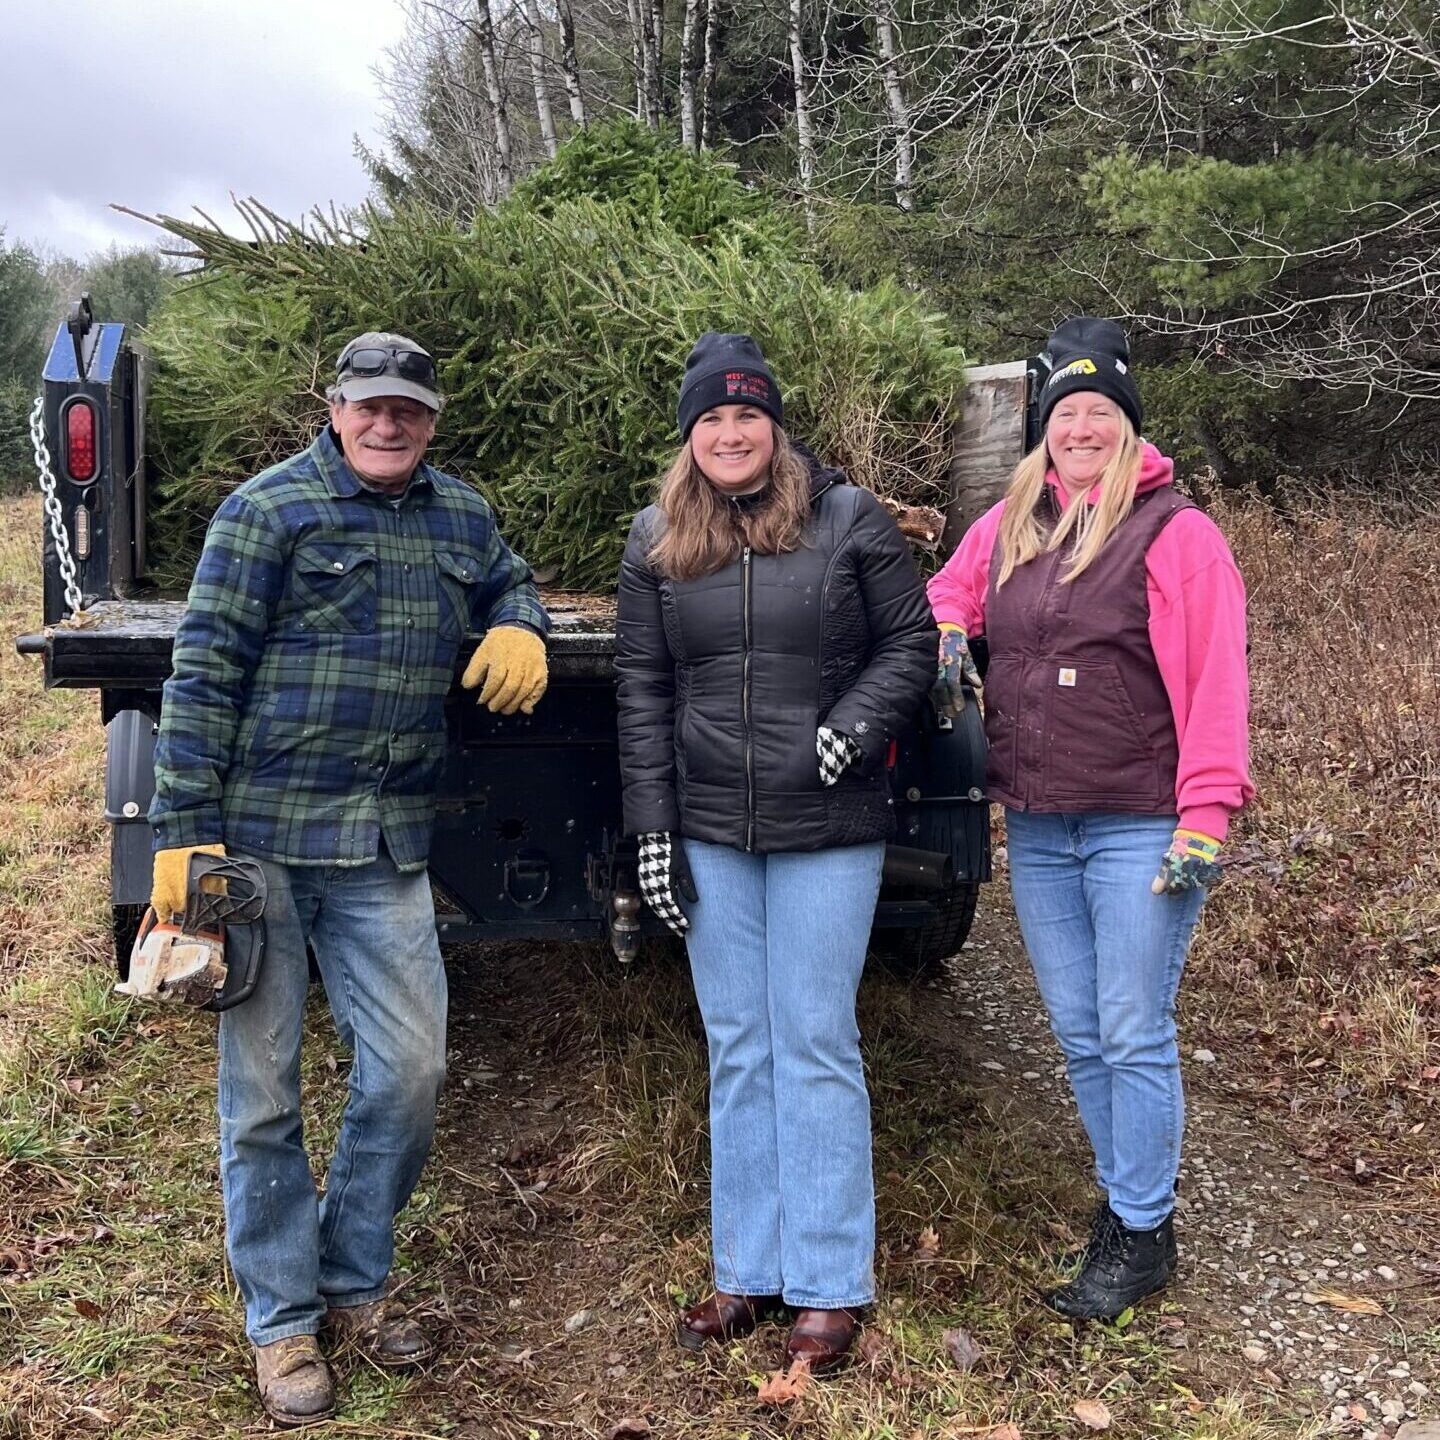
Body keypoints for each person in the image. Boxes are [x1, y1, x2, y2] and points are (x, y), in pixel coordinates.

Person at [148, 332, 549, 1426]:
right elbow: (204, 672)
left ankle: (352, 1277)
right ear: (335, 409)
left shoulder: (460, 515)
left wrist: (519, 620)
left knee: (411, 1073)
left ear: (432, 419)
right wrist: (183, 842)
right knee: (264, 1094)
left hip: (384, 852)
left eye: (408, 410)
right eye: (369, 406)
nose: (388, 424)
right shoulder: (265, 512)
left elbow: (512, 578)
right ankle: (282, 1324)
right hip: (264, 848)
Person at [614, 333, 937, 1373]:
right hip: (713, 831)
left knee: (814, 1040)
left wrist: (853, 721)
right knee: (739, 1044)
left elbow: (912, 644)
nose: (730, 433)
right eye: (710, 418)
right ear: (690, 434)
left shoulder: (847, 519)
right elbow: (644, 692)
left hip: (827, 829)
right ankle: (746, 1272)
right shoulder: (658, 536)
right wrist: (654, 830)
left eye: (747, 415)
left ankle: (831, 1281)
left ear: (775, 426)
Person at [928, 316, 1252, 1320]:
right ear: (1045, 429)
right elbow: (952, 585)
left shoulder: (1174, 532)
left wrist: (1208, 811)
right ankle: (1128, 1204)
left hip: (1140, 824)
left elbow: (1216, 681)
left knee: (1131, 1025)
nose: (1080, 428)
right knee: (1076, 1027)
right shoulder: (1014, 518)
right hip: (1038, 824)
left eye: (1098, 412)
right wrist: (947, 634)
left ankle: (1143, 1229)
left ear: (1126, 425)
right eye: (1064, 413)